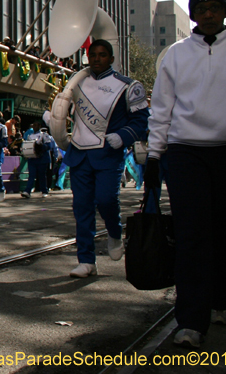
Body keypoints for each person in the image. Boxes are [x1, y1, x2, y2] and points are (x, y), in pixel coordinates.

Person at [145, 0, 226, 348]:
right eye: (201, 9)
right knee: (191, 236)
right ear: (193, 15)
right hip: (185, 153)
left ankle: (220, 302)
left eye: (214, 8)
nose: (208, 14)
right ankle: (190, 320)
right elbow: (162, 108)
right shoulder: (175, 55)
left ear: (225, 11)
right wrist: (154, 154)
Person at [60, 39, 149, 278]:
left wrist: (123, 136)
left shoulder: (128, 86)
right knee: (82, 209)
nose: (97, 59)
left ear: (111, 58)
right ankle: (86, 260)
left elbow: (142, 120)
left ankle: (115, 233)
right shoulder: (76, 81)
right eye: (93, 55)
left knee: (107, 200)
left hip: (108, 154)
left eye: (102, 55)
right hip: (79, 154)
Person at [21, 124, 54, 199]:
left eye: (36, 126)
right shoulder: (30, 136)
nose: (34, 127)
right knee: (31, 175)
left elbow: (49, 146)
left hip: (42, 159)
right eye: (34, 126)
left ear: (39, 127)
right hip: (32, 158)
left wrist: (41, 146)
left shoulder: (44, 135)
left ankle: (44, 191)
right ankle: (27, 191)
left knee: (42, 175)